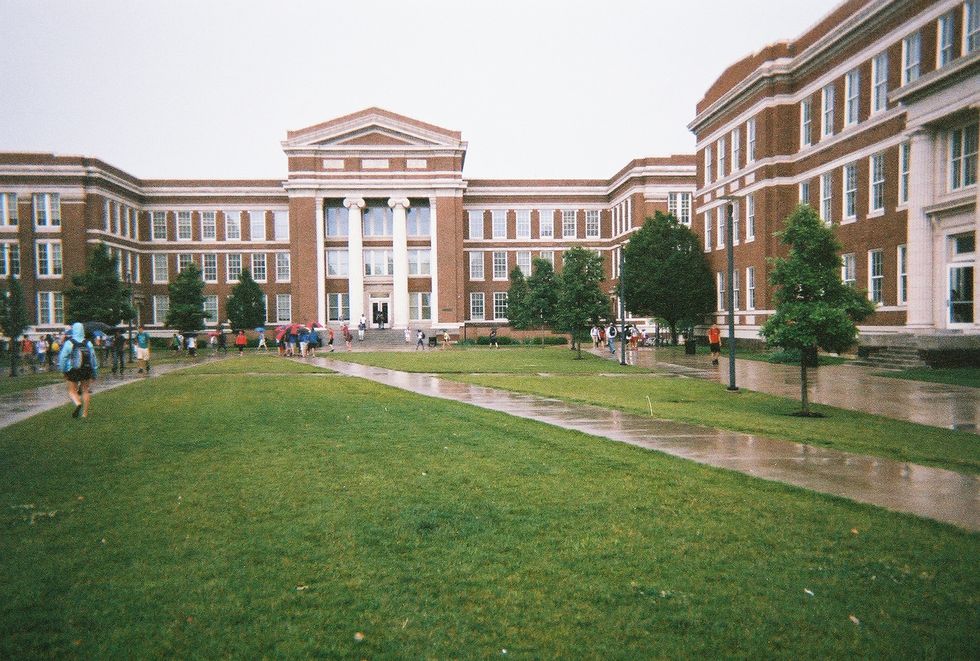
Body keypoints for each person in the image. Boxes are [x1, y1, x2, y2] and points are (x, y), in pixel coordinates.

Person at [59, 322, 98, 419]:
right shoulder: (88, 343)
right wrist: (94, 372)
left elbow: (63, 358)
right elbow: (93, 359)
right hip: (86, 369)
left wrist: (63, 370)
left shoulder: (69, 343)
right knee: (85, 390)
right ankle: (85, 414)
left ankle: (78, 403)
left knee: (72, 391)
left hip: (73, 369)